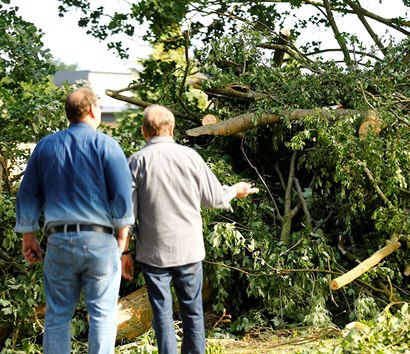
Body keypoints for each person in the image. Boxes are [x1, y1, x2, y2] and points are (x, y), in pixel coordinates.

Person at [126, 104, 257, 354]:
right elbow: (213, 197)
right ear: (172, 128)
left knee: (161, 315)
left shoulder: (136, 162)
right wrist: (235, 190)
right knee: (193, 312)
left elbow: (126, 214)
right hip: (189, 250)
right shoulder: (190, 157)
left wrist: (123, 252)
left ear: (144, 131)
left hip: (153, 253)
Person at [14, 87, 135, 354]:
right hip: (100, 243)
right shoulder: (107, 146)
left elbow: (28, 193)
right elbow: (123, 198)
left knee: (57, 317)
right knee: (103, 316)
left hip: (58, 241)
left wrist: (28, 235)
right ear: (92, 110)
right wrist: (122, 243)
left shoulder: (46, 146)